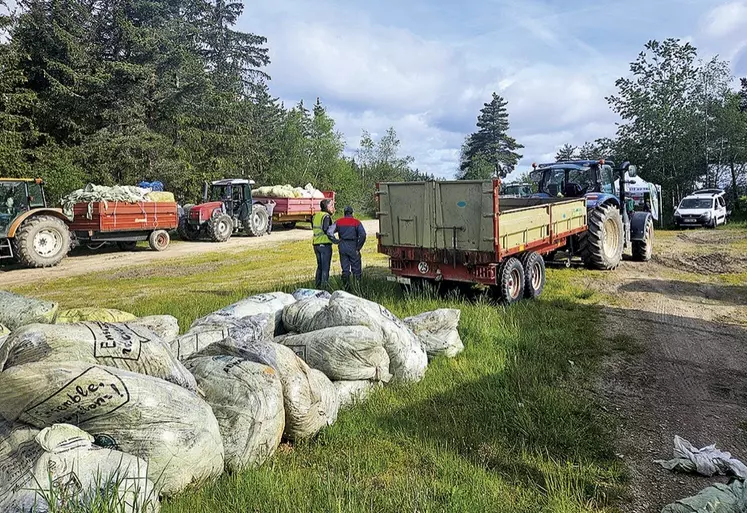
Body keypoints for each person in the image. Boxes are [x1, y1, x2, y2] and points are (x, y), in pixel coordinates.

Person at [327, 205, 366, 288]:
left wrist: (335, 241)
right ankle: (357, 287)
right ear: (352, 213)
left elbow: (329, 232)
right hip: (353, 246)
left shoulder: (339, 221)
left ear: (344, 213)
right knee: (356, 269)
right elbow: (363, 234)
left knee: (345, 269)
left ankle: (346, 287)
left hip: (342, 245)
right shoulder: (356, 222)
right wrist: (358, 247)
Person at [311, 199, 338, 288]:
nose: (333, 208)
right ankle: (324, 288)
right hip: (325, 245)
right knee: (325, 268)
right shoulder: (326, 216)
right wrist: (335, 240)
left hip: (316, 244)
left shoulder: (315, 216)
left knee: (320, 267)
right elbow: (327, 231)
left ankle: (317, 287)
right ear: (327, 207)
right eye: (331, 206)